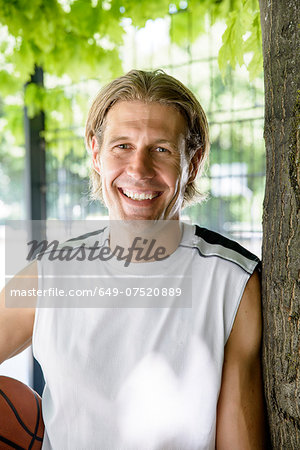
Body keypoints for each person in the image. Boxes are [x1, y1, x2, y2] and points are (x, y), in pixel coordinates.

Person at [0, 69, 267, 449]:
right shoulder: (50, 273)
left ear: (194, 157)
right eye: (121, 146)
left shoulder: (233, 282)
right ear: (96, 152)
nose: (138, 170)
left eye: (161, 149)